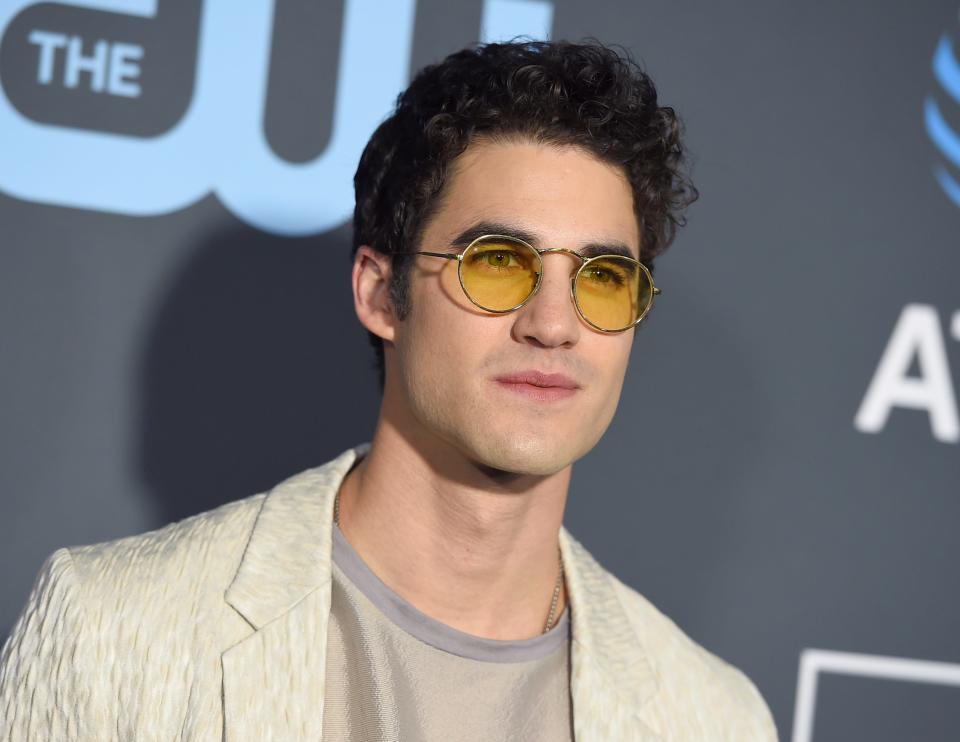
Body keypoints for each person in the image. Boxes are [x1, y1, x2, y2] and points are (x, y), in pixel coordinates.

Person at [0, 40, 778, 740]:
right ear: (379, 293)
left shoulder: (712, 717)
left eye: (603, 279)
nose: (554, 324)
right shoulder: (111, 629)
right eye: (499, 262)